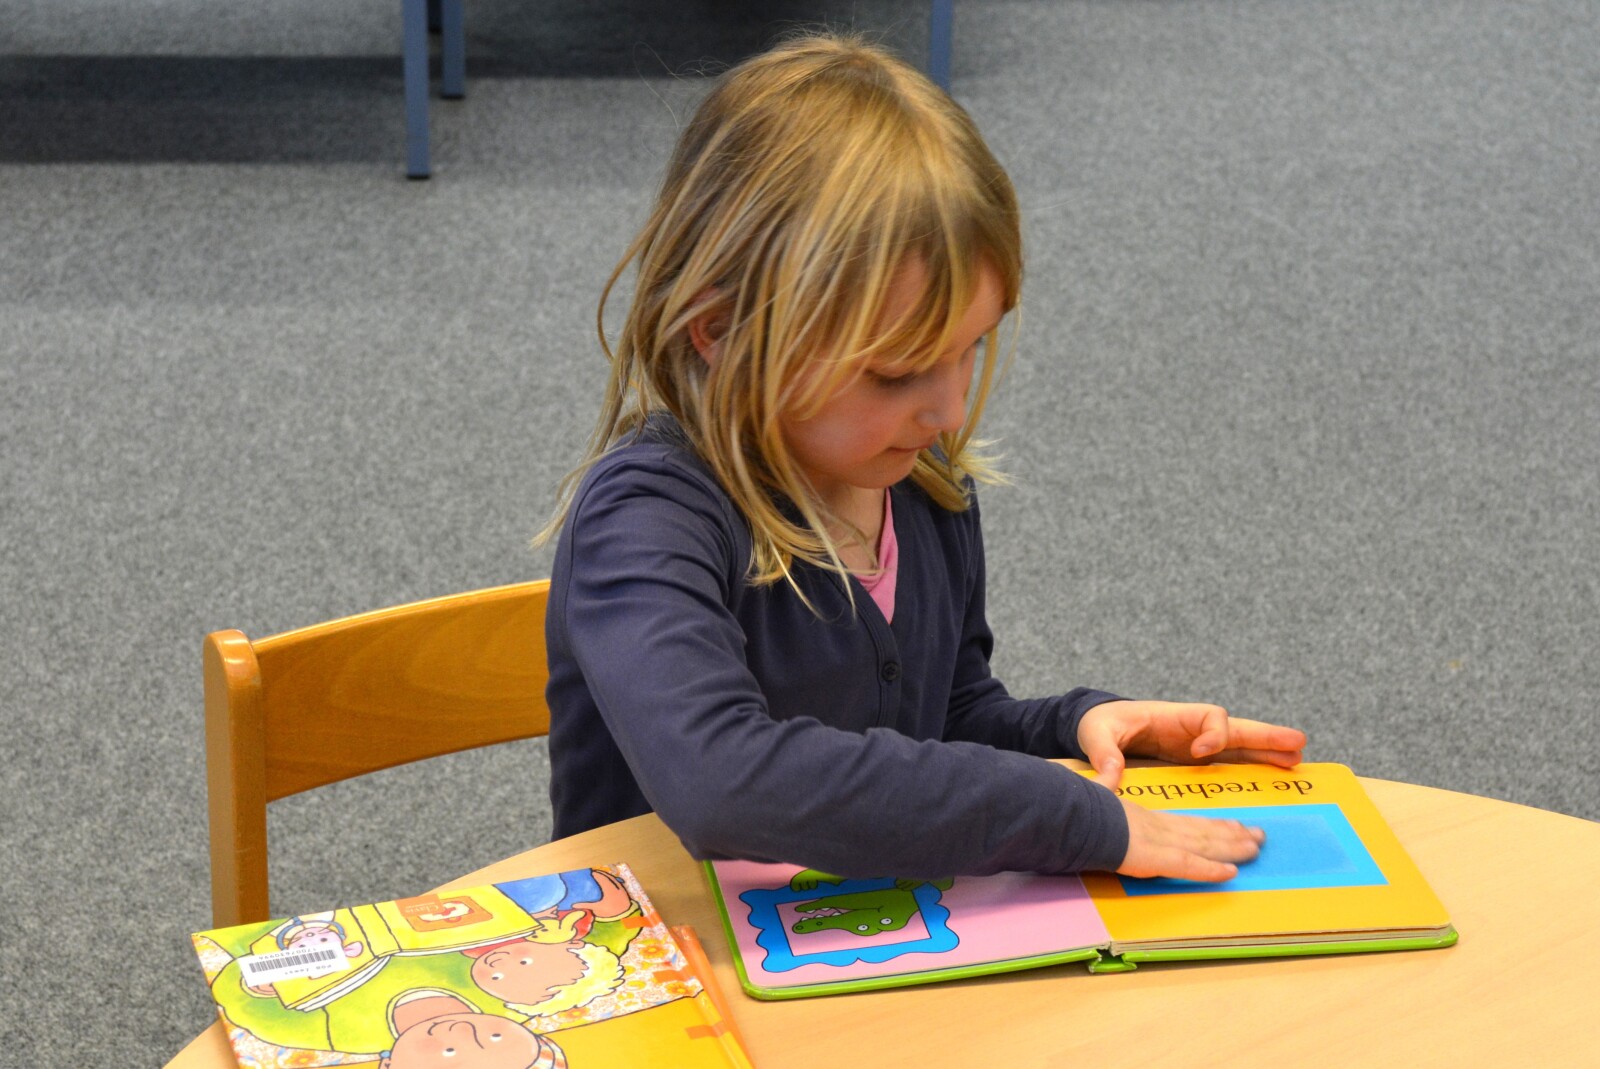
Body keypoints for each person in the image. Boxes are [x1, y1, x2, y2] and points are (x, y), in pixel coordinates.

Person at [540, 32, 1305, 885]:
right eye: (897, 371)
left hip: (862, 939)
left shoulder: (920, 480)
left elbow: (946, 719)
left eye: (970, 348)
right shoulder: (646, 515)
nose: (948, 412)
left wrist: (1071, 728)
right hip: (662, 949)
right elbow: (722, 781)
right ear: (720, 330)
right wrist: (1056, 810)